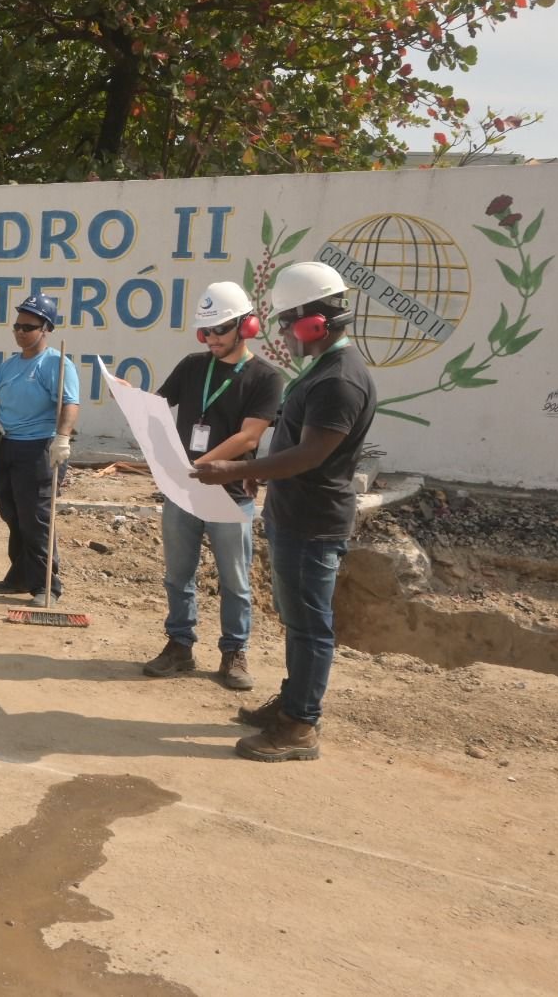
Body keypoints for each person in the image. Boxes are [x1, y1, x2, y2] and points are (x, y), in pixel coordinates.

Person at [192, 262, 376, 762]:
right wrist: (263, 473)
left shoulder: (340, 380)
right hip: (296, 514)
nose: (283, 335)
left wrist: (235, 469)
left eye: (287, 323)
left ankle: (300, 726)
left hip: (313, 523)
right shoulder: (324, 370)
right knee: (298, 621)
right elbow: (297, 446)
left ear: (313, 323)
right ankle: (294, 703)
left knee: (310, 626)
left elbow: (311, 455)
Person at [142, 281, 283, 691]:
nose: (212, 339)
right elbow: (158, 406)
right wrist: (133, 399)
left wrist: (201, 465)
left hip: (230, 493)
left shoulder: (266, 378)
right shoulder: (192, 366)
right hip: (184, 490)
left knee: (235, 581)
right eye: (206, 331)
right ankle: (179, 645)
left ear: (246, 326)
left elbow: (249, 436)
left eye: (220, 329)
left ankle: (234, 652)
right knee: (177, 574)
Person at [0, 294, 80, 607]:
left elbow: (70, 404)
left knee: (36, 518)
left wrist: (62, 438)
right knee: (11, 513)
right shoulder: (9, 366)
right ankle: (20, 576)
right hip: (6, 446)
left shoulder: (56, 364)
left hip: (39, 449)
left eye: (28, 327)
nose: (20, 332)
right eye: (17, 326)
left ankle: (46, 586)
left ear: (46, 328)